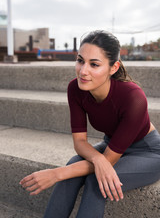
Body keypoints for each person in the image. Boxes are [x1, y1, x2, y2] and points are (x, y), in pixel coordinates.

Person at [20, 30, 160, 218]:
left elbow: (109, 160)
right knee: (73, 167)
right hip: (111, 145)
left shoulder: (134, 98)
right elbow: (80, 142)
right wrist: (98, 159)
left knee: (97, 181)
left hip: (147, 152)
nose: (83, 71)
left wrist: (56, 174)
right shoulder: (75, 89)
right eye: (80, 60)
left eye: (94, 64)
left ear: (113, 67)